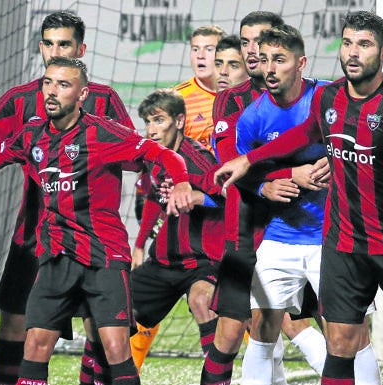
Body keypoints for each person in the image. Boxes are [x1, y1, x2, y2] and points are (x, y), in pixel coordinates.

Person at [214, 11, 383, 385]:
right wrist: (248, 160)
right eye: (347, 43)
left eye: (364, 44)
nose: (353, 53)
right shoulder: (328, 97)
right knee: (340, 343)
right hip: (343, 245)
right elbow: (305, 132)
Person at [0, 57, 194, 385]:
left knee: (116, 349)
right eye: (48, 83)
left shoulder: (105, 133)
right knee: (36, 345)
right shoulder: (32, 135)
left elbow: (165, 154)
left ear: (82, 94)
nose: (51, 92)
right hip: (57, 256)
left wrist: (182, 180)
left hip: (104, 256)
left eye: (63, 85)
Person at [0, 11, 135, 385]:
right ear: (41, 46)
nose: (55, 50)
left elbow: (134, 153)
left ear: (81, 49)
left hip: (92, 237)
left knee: (101, 329)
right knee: (16, 322)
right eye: (49, 43)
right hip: (34, 235)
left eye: (64, 43)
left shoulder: (105, 101)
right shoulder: (22, 99)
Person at [235, 24, 380, 385]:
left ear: (300, 63)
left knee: (351, 335)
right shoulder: (252, 118)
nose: (269, 68)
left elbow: (367, 137)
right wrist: (267, 184)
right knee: (261, 329)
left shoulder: (330, 99)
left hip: (337, 239)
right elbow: (239, 172)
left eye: (279, 60)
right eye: (264, 60)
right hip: (280, 238)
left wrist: (339, 156)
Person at [129, 23, 227, 368]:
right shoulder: (153, 156)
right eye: (148, 122)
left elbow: (228, 195)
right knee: (113, 307)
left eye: (158, 121)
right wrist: (140, 244)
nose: (152, 129)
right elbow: (154, 198)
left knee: (208, 303)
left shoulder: (202, 155)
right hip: (167, 255)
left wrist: (200, 197)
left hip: (208, 254)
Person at [201, 11, 286, 385]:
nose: (251, 49)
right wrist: (263, 185)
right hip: (245, 232)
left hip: (300, 231)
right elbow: (226, 160)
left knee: (340, 329)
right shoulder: (231, 100)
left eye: (260, 40)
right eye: (245, 40)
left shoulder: (306, 93)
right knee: (231, 334)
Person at [174, 24, 226, 152]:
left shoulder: (242, 94)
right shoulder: (176, 98)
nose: (200, 55)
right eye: (195, 49)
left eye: (209, 49)